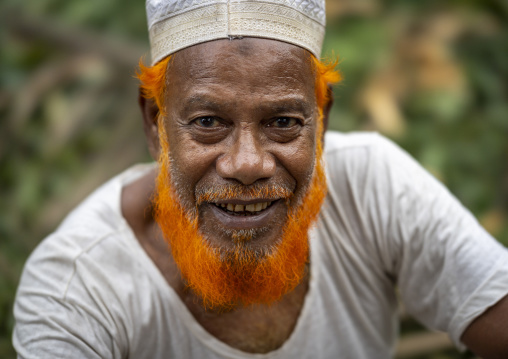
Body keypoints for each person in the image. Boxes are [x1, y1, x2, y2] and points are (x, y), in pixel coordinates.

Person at [13, 0, 508, 358]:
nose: (247, 164)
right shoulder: (76, 290)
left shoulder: (371, 184)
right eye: (208, 123)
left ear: (322, 122)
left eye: (283, 123)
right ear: (155, 124)